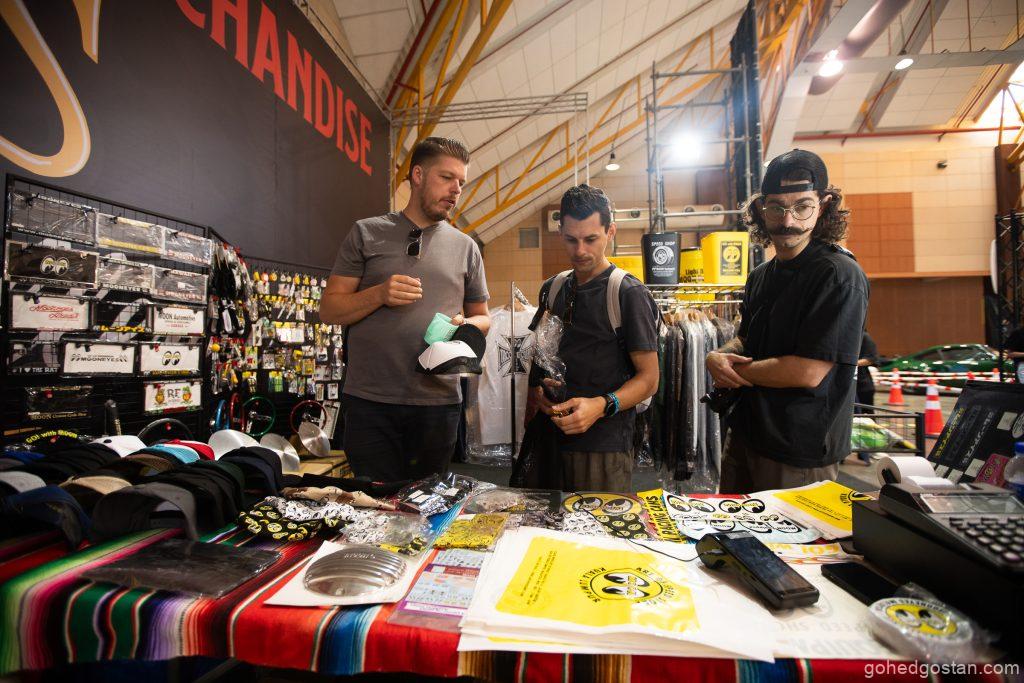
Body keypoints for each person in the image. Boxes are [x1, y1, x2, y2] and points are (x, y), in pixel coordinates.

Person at [320, 137, 490, 482]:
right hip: (370, 402)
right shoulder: (367, 233)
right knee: (372, 502)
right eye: (447, 178)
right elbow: (330, 310)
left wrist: (463, 324)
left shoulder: (466, 248)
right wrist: (379, 294)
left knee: (425, 503)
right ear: (418, 175)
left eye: (461, 182)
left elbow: (484, 318)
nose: (456, 190)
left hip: (437, 404)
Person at [706, 149, 869, 493]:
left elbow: (807, 372)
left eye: (802, 207)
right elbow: (746, 339)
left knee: (789, 530)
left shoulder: (837, 275)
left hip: (798, 450)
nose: (788, 220)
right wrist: (718, 356)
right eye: (776, 207)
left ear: (823, 205)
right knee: (732, 524)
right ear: (760, 209)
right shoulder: (761, 275)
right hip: (747, 434)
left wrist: (735, 372)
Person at [524, 184, 660, 492]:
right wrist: (536, 393)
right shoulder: (553, 288)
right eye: (571, 240)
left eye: (590, 239)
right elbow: (540, 352)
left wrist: (602, 405)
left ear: (610, 231)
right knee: (542, 520)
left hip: (602, 447)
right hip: (549, 440)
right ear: (561, 232)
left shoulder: (628, 293)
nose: (580, 251)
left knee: (598, 522)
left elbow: (650, 380)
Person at [857, 331, 879, 408]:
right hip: (845, 385)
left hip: (862, 386)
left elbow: (871, 358)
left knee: (866, 413)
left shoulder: (864, 336)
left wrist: (849, 363)